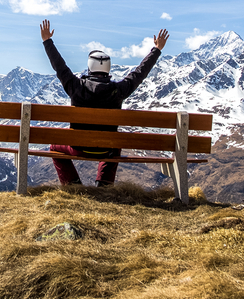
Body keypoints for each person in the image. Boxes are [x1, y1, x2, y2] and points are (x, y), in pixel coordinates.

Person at [39, 19, 169, 187]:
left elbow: (60, 67)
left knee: (55, 148)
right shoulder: (119, 90)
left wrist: (47, 41)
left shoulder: (75, 86)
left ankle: (72, 184)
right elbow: (139, 73)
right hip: (106, 148)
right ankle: (104, 184)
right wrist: (156, 50)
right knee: (115, 145)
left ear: (89, 67)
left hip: (78, 147)